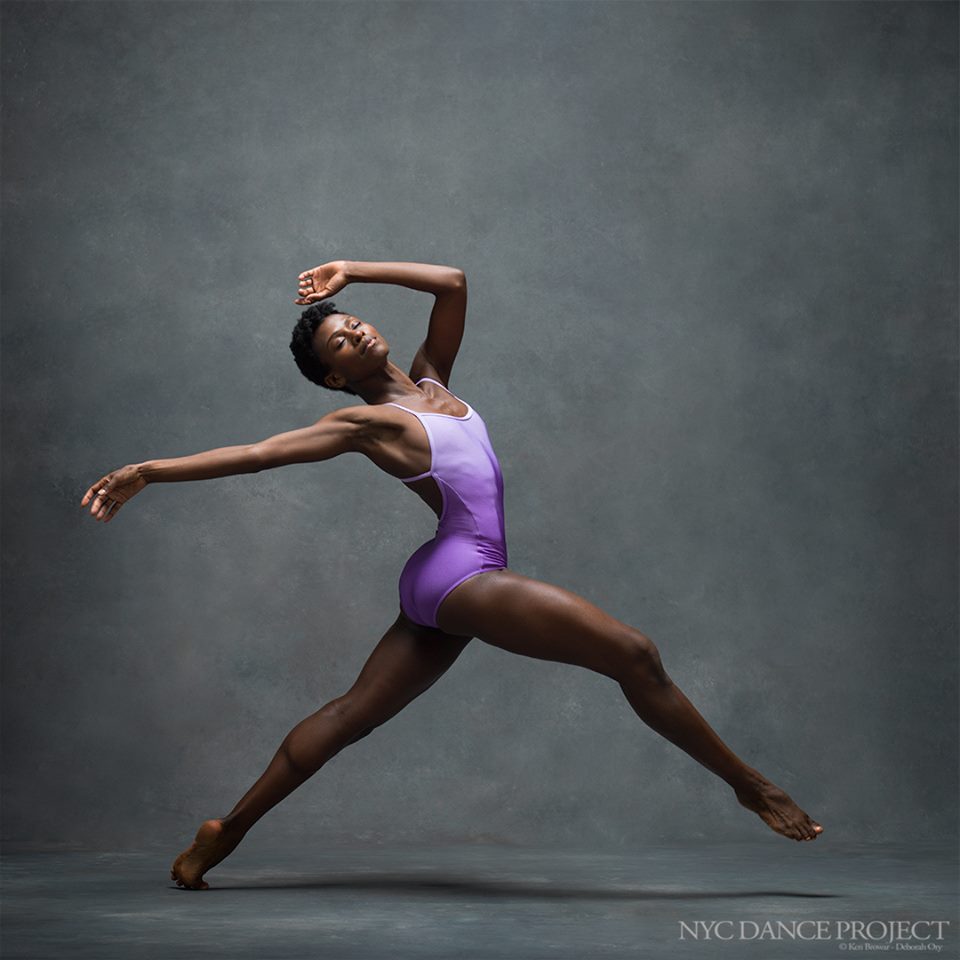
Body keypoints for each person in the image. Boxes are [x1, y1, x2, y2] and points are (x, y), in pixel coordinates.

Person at [80, 260, 823, 891]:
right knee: (634, 654)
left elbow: (453, 283)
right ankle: (749, 784)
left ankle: (226, 830)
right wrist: (149, 470)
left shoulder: (434, 384)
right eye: (342, 341)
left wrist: (352, 267)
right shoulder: (368, 421)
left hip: (443, 578)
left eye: (355, 319)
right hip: (460, 574)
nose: (359, 329)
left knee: (350, 716)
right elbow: (259, 454)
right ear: (337, 377)